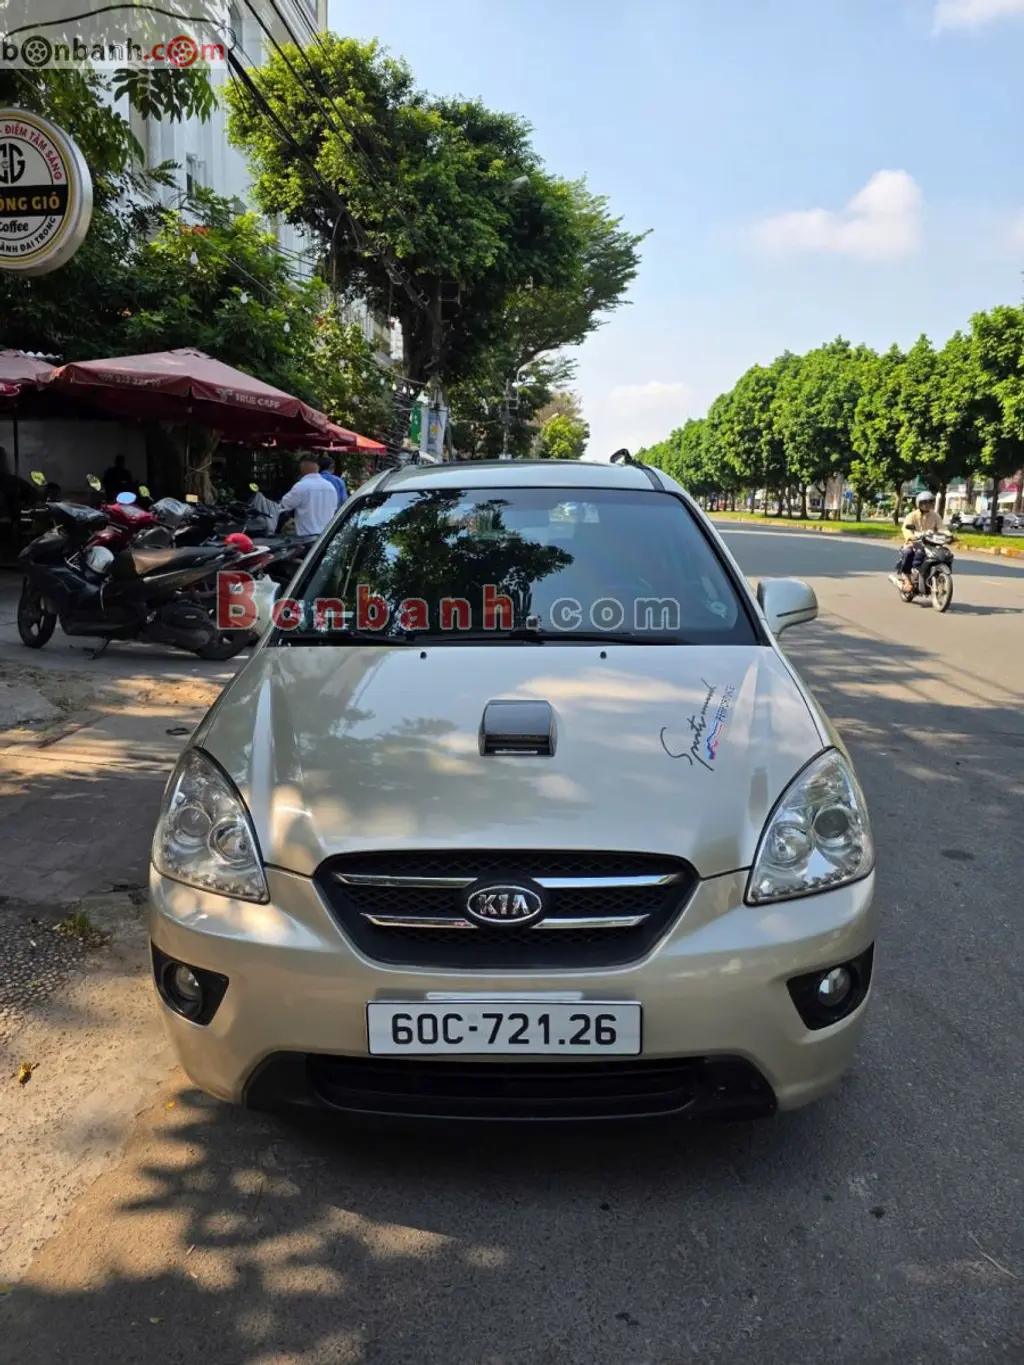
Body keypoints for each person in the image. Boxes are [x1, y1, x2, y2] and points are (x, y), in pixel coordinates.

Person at [277, 455, 337, 537]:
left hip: (306, 538)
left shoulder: (301, 486)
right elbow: (334, 508)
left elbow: (283, 505)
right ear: (318, 468)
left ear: (301, 469)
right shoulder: (330, 487)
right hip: (326, 537)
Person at [898, 491, 948, 588]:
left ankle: (934, 574)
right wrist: (911, 536)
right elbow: (905, 528)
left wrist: (949, 535)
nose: (926, 505)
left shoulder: (935, 515)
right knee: (908, 553)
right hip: (915, 543)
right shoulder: (912, 515)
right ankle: (907, 578)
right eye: (924, 502)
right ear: (918, 503)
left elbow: (942, 528)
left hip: (931, 543)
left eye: (929, 502)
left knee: (944, 555)